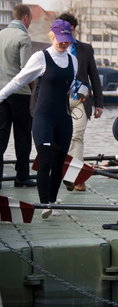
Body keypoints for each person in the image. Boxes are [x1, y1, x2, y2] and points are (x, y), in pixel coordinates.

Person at [0, 19, 78, 218]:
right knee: (45, 158)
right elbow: (19, 80)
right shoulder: (40, 57)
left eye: (67, 39)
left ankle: (53, 201)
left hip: (64, 118)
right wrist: (1, 96)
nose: (64, 43)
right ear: (52, 36)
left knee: (60, 161)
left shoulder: (73, 60)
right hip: (43, 116)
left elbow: (69, 88)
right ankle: (44, 204)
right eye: (60, 39)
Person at [58, 13, 103, 192]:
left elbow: (94, 76)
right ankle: (61, 171)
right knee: (60, 139)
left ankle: (74, 178)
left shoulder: (85, 49)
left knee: (77, 136)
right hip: (59, 100)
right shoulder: (54, 49)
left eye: (70, 30)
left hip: (80, 100)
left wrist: (99, 103)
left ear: (74, 29)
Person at [0, 4, 36, 189]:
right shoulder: (23, 37)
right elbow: (26, 70)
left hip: (1, 95)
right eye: (31, 18)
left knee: (1, 136)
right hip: (19, 94)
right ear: (25, 18)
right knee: (22, 136)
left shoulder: (0, 35)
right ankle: (21, 176)